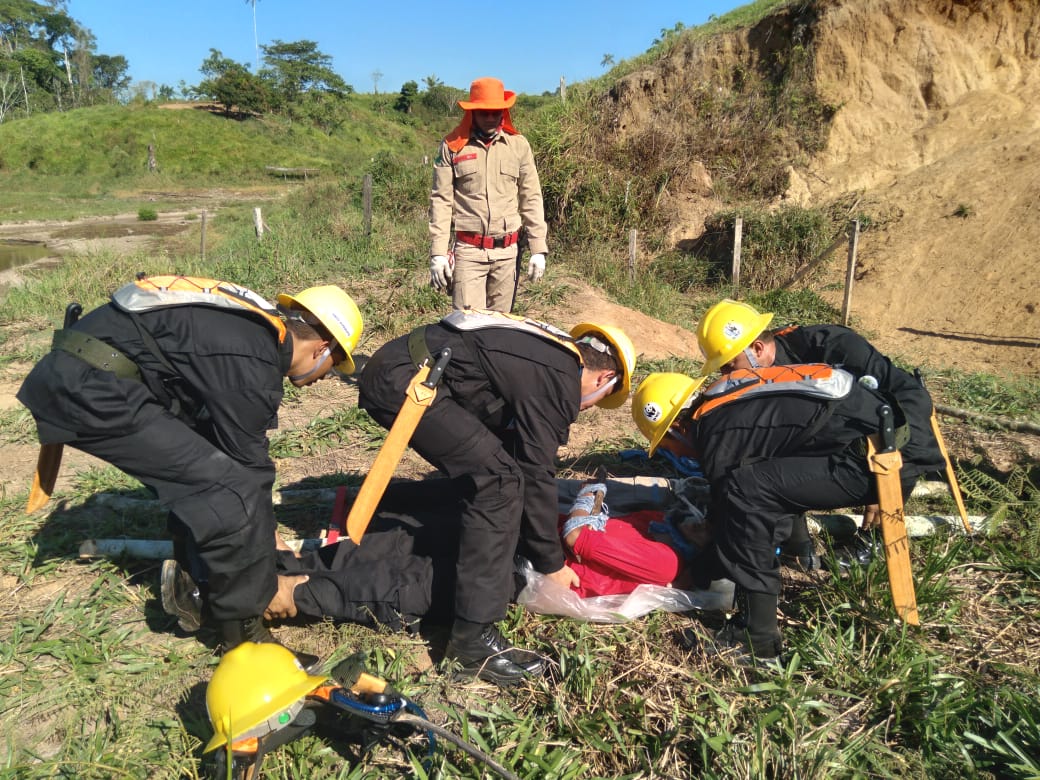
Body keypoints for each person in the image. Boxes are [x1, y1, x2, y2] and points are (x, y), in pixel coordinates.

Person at [17, 275, 363, 660]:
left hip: (84, 372)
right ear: (322, 347)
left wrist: (264, 534)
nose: (326, 377)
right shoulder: (255, 358)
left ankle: (193, 580)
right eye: (334, 366)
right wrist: (265, 550)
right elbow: (248, 471)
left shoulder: (253, 330)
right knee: (234, 496)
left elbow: (220, 440)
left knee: (207, 471)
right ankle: (243, 633)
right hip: (90, 388)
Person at [358, 308, 635, 685]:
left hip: (407, 366)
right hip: (407, 379)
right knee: (499, 482)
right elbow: (536, 472)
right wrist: (551, 563)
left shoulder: (551, 354)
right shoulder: (559, 378)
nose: (586, 408)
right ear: (605, 377)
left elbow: (521, 449)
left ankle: (380, 511)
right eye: (598, 401)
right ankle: (471, 643)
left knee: (493, 467)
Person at [632, 364, 938, 662]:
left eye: (667, 445)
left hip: (873, 461)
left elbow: (738, 516)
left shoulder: (716, 431)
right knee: (762, 483)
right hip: (887, 438)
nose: (675, 454)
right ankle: (797, 553)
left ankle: (757, 637)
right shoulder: (726, 399)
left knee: (745, 490)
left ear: (676, 427)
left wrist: (697, 571)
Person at [695, 299, 945, 567]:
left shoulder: (832, 345)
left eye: (730, 366)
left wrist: (886, 474)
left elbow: (912, 402)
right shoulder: (762, 374)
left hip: (888, 445)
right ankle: (797, 543)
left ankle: (874, 541)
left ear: (758, 348)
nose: (725, 376)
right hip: (834, 440)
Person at [428, 77, 548, 313]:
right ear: (473, 112)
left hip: (507, 253)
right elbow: (441, 201)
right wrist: (438, 253)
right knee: (468, 328)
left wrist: (538, 248)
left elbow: (531, 197)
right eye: (484, 113)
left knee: (500, 329)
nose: (491, 118)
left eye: (496, 112)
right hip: (469, 252)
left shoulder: (519, 146)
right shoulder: (452, 147)